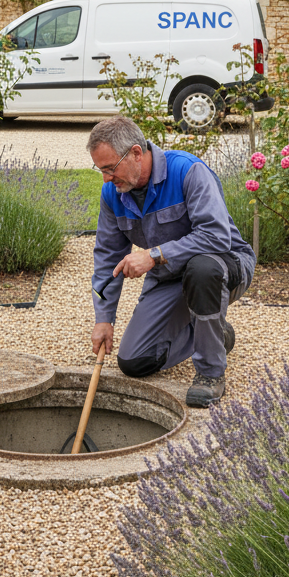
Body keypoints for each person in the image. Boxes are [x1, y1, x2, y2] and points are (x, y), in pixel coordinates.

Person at [88, 116, 255, 407]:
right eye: (100, 170)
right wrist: (104, 318)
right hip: (169, 275)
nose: (106, 179)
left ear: (136, 153)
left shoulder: (189, 171)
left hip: (224, 266)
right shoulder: (112, 194)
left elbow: (216, 237)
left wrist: (153, 255)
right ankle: (216, 333)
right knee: (134, 361)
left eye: (110, 168)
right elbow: (107, 258)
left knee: (201, 269)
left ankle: (210, 374)